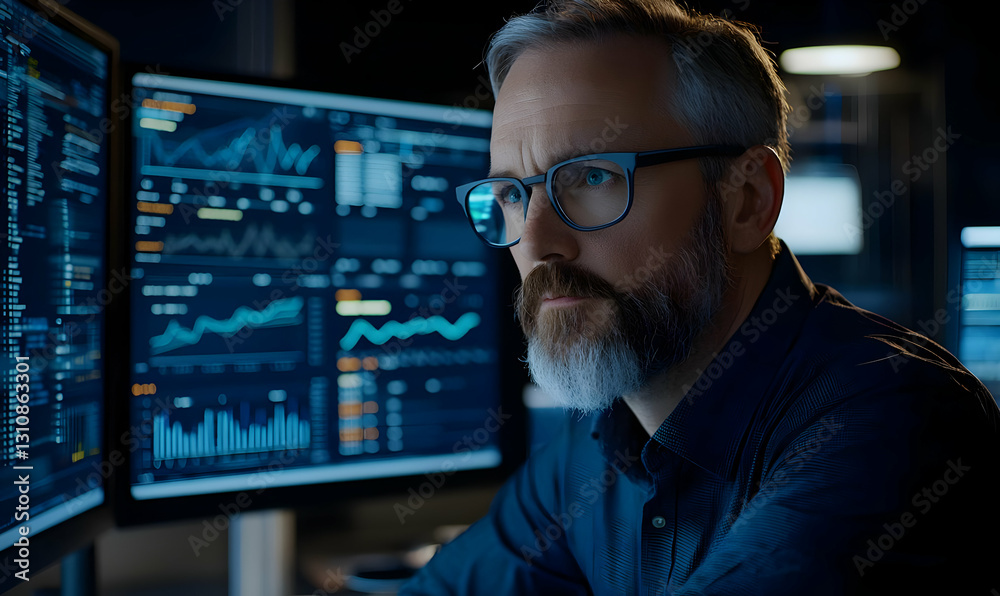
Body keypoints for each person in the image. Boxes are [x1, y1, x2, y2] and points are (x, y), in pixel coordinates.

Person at [400, 1, 1000, 594]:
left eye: (592, 178)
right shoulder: (599, 440)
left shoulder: (896, 416)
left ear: (747, 201)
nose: (535, 242)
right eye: (510, 194)